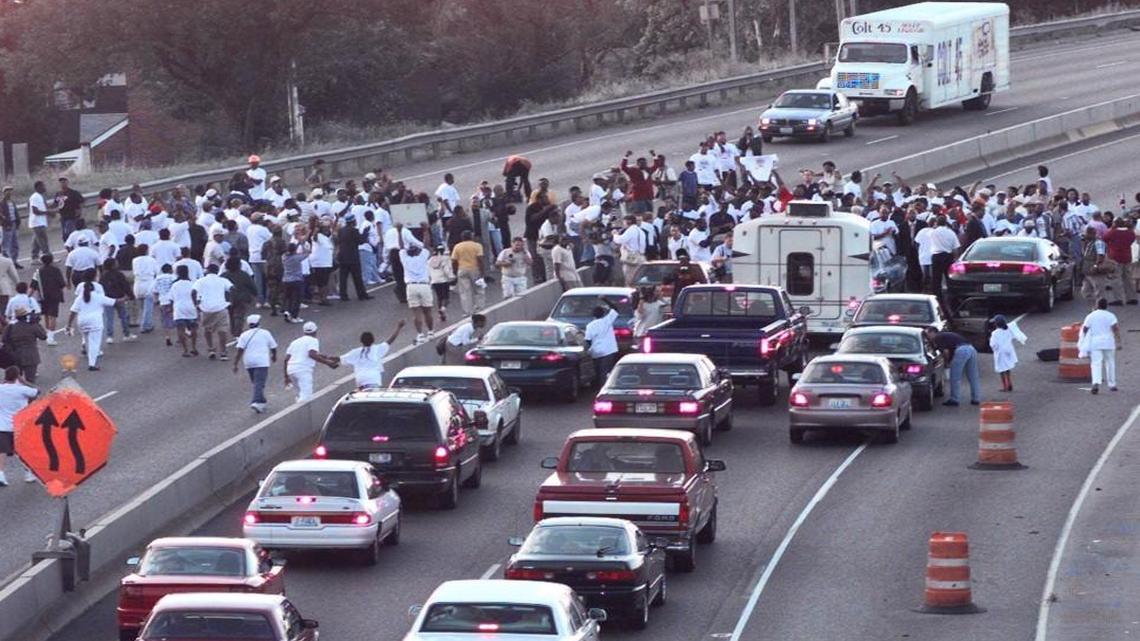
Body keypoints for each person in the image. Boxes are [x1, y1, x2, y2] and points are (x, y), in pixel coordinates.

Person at [65, 276, 118, 371]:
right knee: (94, 343)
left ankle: (86, 349)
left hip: (82, 321)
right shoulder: (98, 297)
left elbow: (72, 311)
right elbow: (113, 302)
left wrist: (68, 325)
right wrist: (125, 298)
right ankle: (92, 364)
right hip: (95, 322)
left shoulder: (80, 298)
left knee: (87, 340)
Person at [283, 321, 340, 403]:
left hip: (291, 370)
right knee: (306, 396)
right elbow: (312, 354)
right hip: (303, 370)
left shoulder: (295, 342)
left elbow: (286, 359)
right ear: (315, 331)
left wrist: (286, 377)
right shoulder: (313, 340)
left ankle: (300, 408)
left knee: (300, 394)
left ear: (304, 331)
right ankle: (303, 412)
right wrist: (328, 363)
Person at [232, 314, 277, 413]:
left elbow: (240, 350)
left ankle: (262, 401)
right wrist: (274, 356)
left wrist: (235, 364)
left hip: (249, 362)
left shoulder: (244, 335)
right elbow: (273, 346)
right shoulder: (265, 333)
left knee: (256, 382)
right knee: (259, 383)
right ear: (258, 323)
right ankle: (256, 401)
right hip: (261, 361)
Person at [0, 366, 38, 486]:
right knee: (24, 451)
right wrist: (24, 381)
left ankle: (0, 474)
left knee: (1, 451)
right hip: (20, 425)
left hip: (3, 426)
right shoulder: (22, 389)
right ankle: (28, 473)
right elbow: (37, 391)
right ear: (17, 377)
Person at [925, 328, 981, 407]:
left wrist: (947, 363)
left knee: (955, 376)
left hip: (961, 350)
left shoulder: (938, 337)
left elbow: (946, 352)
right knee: (973, 376)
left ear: (933, 332)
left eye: (928, 334)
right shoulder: (946, 335)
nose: (927, 336)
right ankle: (976, 398)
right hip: (971, 349)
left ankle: (955, 399)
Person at [341, 321, 405, 389]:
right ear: (373, 340)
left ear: (361, 341)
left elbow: (338, 359)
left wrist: (328, 359)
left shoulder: (355, 352)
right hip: (373, 379)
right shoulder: (377, 349)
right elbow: (391, 340)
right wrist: (399, 327)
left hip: (360, 380)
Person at [1079, 298, 1121, 394]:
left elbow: (1084, 329)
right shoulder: (1111, 316)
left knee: (1096, 363)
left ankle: (1096, 383)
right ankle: (1112, 384)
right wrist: (1118, 342)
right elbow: (1115, 329)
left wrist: (1083, 341)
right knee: (1110, 363)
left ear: (1097, 305)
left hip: (1095, 343)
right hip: (1108, 342)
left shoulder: (1091, 316)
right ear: (1107, 306)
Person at [193, 264, 233, 360]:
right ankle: (223, 352)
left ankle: (211, 349)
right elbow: (232, 289)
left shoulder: (201, 281)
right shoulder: (223, 280)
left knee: (207, 329)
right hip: (220, 307)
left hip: (206, 308)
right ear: (217, 271)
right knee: (222, 330)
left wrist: (196, 304)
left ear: (207, 270)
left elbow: (193, 291)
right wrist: (231, 301)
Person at [400, 244, 435, 344]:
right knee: (428, 312)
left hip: (411, 286)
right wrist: (425, 230)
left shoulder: (405, 259)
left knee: (416, 313)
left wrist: (399, 232)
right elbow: (427, 245)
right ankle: (430, 332)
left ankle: (420, 334)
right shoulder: (422, 257)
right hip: (424, 286)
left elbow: (401, 247)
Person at [4, 307, 46, 382]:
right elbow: (43, 336)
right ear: (26, 316)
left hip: (16, 356)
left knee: (16, 380)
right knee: (30, 380)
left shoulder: (11, 327)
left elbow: (4, 340)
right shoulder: (32, 326)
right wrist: (37, 323)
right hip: (31, 356)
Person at [31, 254, 65, 345]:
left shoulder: (38, 272)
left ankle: (47, 332)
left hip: (43, 296)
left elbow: (33, 285)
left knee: (46, 314)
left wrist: (28, 297)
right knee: (52, 316)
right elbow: (62, 283)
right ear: (52, 260)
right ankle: (50, 337)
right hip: (55, 296)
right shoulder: (56, 270)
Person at [99, 258, 135, 343]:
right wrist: (130, 295)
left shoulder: (103, 276)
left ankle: (110, 336)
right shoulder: (119, 274)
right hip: (120, 298)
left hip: (108, 299)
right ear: (113, 265)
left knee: (109, 318)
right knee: (123, 316)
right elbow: (125, 286)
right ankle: (126, 334)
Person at [988, 315, 1026, 393]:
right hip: (1009, 350)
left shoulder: (995, 333)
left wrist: (993, 348)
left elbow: (993, 344)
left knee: (1001, 370)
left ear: (996, 324)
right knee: (1008, 368)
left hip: (1000, 352)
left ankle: (1005, 386)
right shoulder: (1008, 330)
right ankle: (1009, 382)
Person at [451, 231, 486, 316]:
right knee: (478, 290)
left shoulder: (457, 246)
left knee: (465, 292)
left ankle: (467, 311)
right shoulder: (477, 246)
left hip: (462, 269)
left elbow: (454, 260)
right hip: (474, 269)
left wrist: (455, 271)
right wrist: (482, 272)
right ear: (471, 236)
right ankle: (479, 308)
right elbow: (480, 259)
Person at [222, 256, 258, 338]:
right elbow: (252, 286)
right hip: (242, 298)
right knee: (239, 316)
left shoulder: (224, 275)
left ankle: (233, 330)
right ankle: (237, 333)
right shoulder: (244, 275)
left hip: (228, 299)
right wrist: (255, 294)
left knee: (231, 315)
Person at [168, 264, 200, 357]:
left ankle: (185, 350)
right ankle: (194, 347)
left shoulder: (175, 285)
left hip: (179, 308)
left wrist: (171, 309)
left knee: (180, 329)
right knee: (194, 328)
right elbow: (197, 297)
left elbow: (171, 299)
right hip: (191, 308)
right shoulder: (193, 283)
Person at [585, 303, 620, 385]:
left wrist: (588, 350)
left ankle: (600, 388)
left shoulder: (589, 326)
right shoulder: (607, 320)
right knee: (607, 372)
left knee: (599, 372)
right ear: (603, 314)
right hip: (609, 350)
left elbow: (588, 340)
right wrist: (605, 299)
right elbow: (615, 308)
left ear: (593, 315)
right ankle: (607, 387)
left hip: (596, 352)